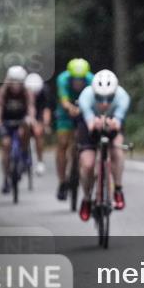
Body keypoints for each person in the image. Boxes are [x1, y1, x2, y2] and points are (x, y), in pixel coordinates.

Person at [77, 69, 131, 221]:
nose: (105, 103)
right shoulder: (85, 97)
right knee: (87, 165)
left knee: (117, 151)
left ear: (115, 93)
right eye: (100, 98)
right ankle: (87, 198)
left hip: (112, 123)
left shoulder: (123, 97)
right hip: (90, 125)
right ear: (94, 93)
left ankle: (118, 190)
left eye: (109, 98)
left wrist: (113, 124)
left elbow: (118, 123)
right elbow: (90, 125)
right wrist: (95, 123)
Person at [0, 65, 36, 193]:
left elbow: (31, 106)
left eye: (18, 82)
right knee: (6, 145)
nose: (16, 85)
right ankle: (6, 178)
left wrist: (31, 118)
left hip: (21, 120)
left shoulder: (27, 91)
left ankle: (24, 153)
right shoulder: (3, 91)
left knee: (25, 131)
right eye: (13, 82)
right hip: (6, 120)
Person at [54, 58, 93, 200]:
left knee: (80, 141)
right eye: (75, 80)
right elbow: (64, 100)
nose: (78, 83)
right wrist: (70, 108)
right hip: (66, 113)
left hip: (84, 112)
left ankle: (78, 163)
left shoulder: (91, 79)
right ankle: (62, 181)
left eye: (81, 79)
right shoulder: (63, 79)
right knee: (63, 144)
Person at [25, 73, 52, 175]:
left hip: (39, 112)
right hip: (25, 112)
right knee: (22, 130)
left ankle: (40, 161)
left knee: (38, 132)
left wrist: (45, 124)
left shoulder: (45, 91)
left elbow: (46, 110)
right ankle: (22, 152)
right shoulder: (23, 91)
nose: (34, 96)